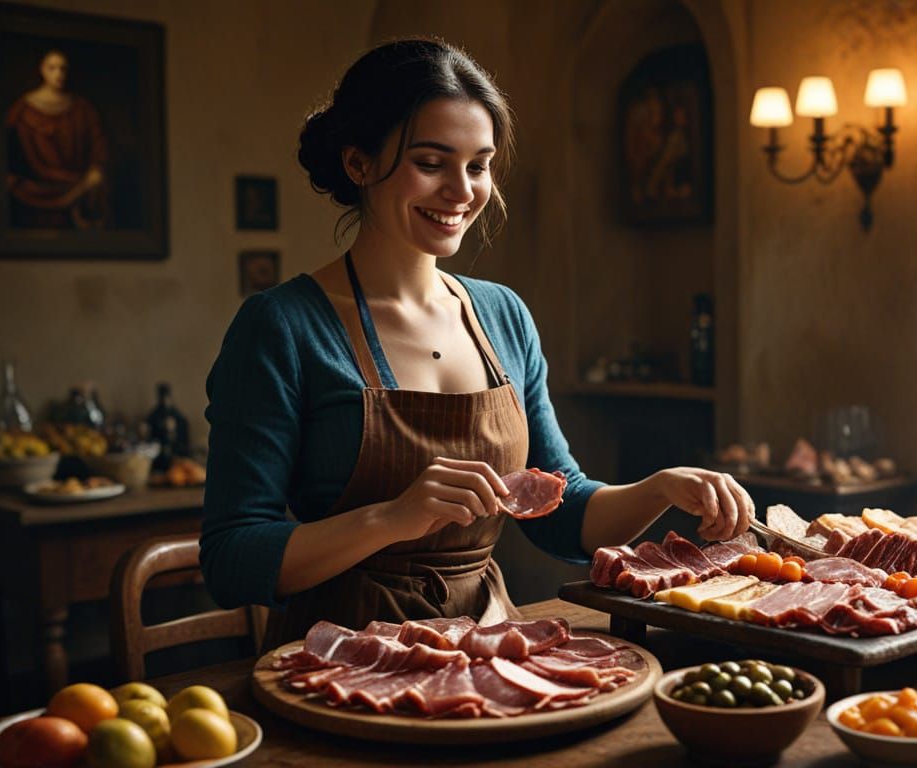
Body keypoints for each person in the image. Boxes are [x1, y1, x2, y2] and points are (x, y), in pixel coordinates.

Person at [200, 39, 753, 648]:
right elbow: (231, 557)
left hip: (487, 649)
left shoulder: (502, 314)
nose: (462, 192)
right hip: (343, 662)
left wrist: (659, 488)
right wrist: (390, 518)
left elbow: (560, 514)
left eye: (478, 165)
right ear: (358, 164)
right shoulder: (280, 326)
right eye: (432, 163)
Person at [4, 49, 108, 229]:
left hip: (78, 186)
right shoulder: (22, 110)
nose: (58, 74)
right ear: (42, 70)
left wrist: (96, 170)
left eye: (63, 69)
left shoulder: (83, 109)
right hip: (35, 190)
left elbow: (99, 146)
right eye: (52, 68)